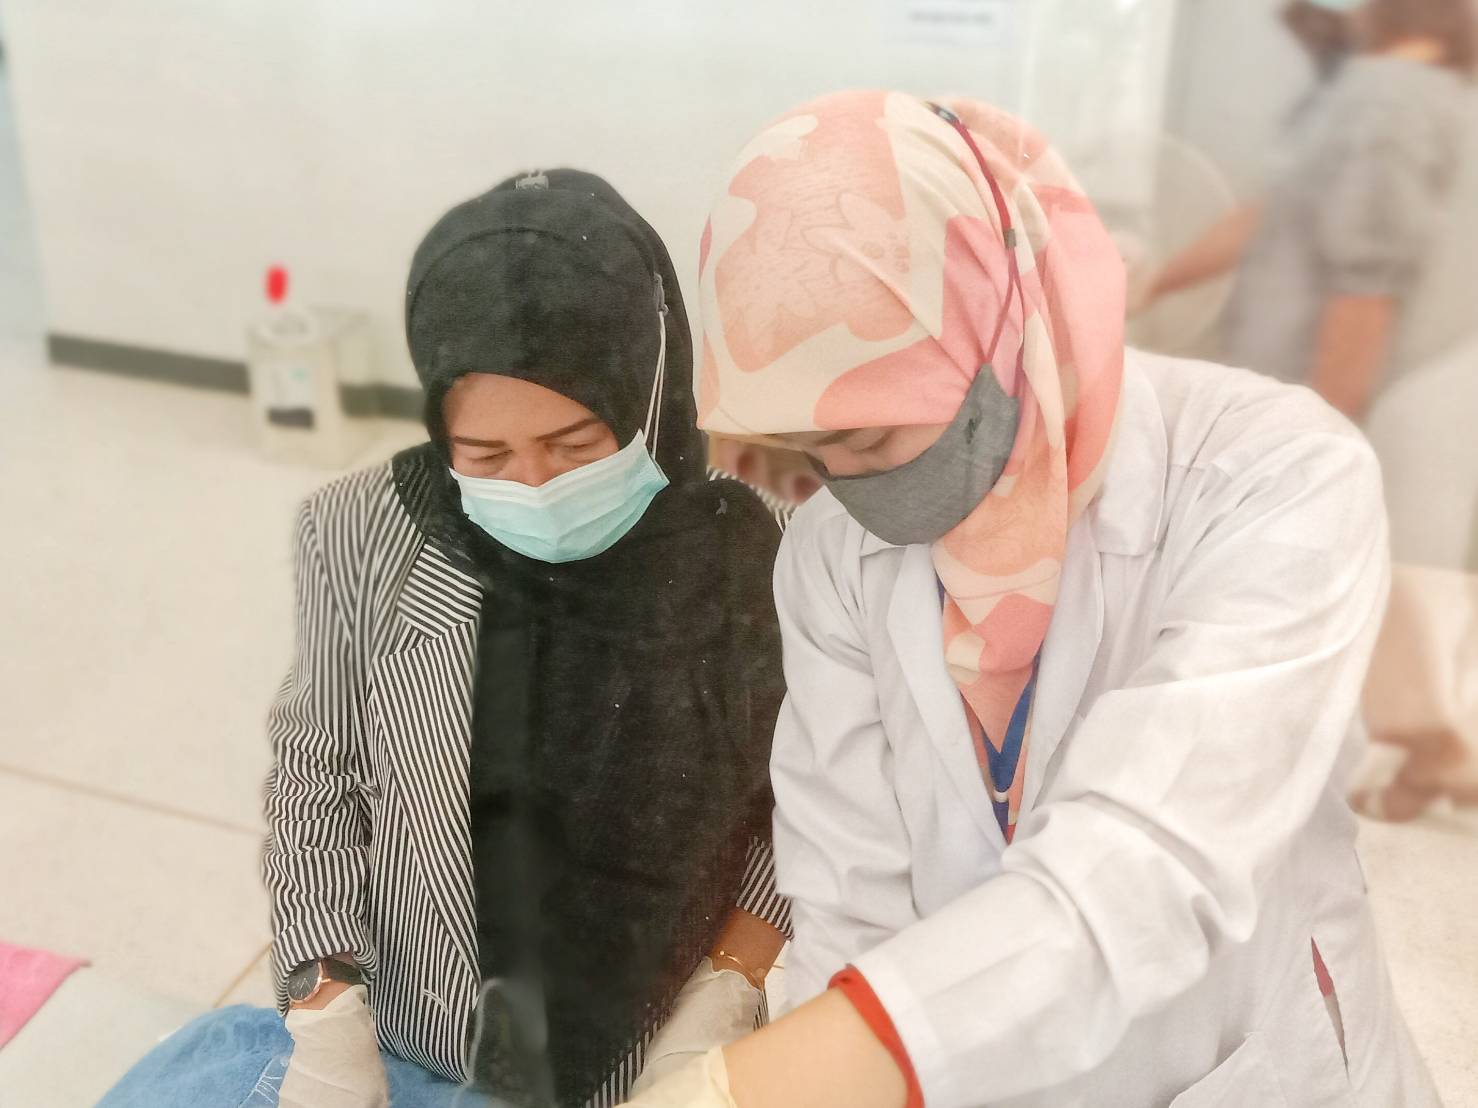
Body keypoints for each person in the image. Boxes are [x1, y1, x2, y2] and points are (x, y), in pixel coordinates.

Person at [621, 90, 1440, 1107]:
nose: (850, 488)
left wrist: (768, 1082)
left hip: (1243, 1066)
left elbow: (1150, 862)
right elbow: (848, 887)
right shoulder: (834, 556)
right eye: (812, 452)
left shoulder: (1270, 474)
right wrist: (818, 1063)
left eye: (869, 438)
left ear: (991, 324)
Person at [97, 170, 791, 1108]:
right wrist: (327, 1011)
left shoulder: (756, 560)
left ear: (648, 394)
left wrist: (724, 994)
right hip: (410, 1039)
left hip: (643, 1066)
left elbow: (799, 813)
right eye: (486, 456)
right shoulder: (360, 531)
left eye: (577, 445)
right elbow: (317, 778)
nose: (535, 485)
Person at [1138, 0, 1475, 421]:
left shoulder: (1390, 100)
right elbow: (1267, 215)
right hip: (1280, 399)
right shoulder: (1368, 92)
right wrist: (1150, 287)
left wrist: (1323, 427)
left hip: (1310, 408)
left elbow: (1367, 292)